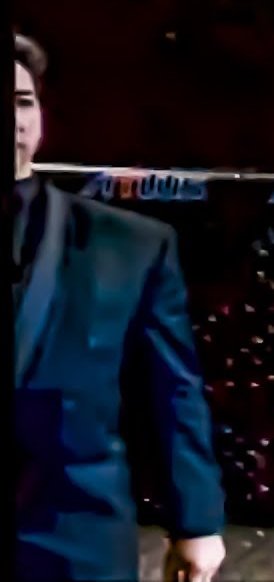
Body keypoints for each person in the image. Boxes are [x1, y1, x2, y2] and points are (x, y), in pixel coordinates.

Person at [12, 33, 227, 582]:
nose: (14, 120)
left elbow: (172, 391)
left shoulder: (129, 244)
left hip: (75, 532)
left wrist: (197, 523)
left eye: (22, 102)